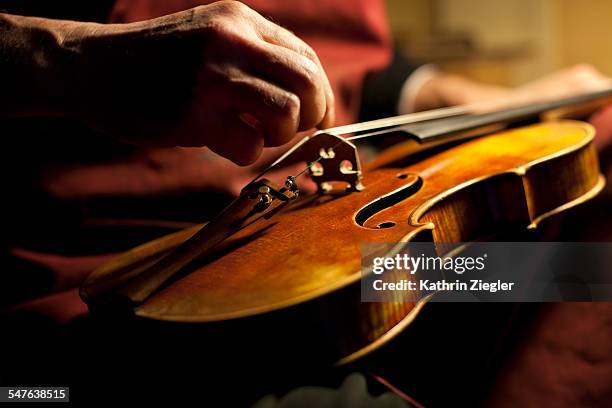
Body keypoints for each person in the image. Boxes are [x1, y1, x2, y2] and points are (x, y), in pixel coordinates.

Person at [1, 1, 612, 405]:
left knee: (583, 275)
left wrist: (477, 99)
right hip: (159, 266)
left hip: (358, 240)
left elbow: (354, 59)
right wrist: (71, 60)